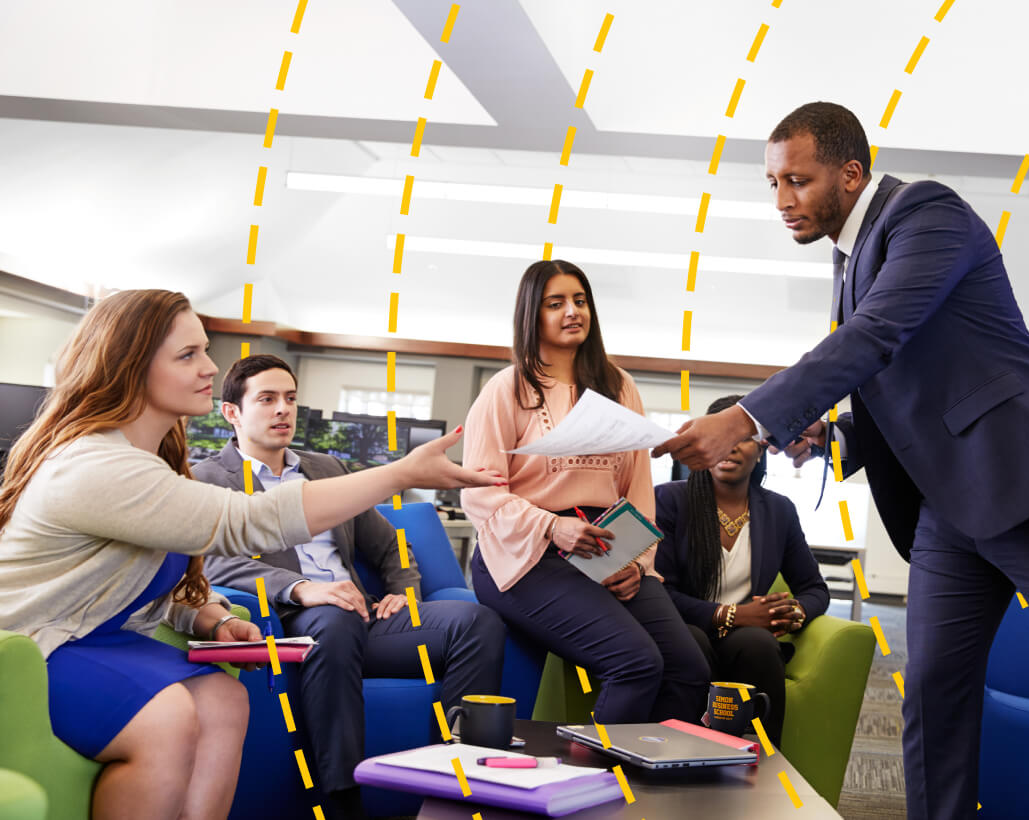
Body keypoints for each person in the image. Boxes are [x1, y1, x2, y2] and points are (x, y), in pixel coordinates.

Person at [652, 102, 1029, 819]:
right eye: (773, 184)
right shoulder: (848, 260)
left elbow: (877, 336)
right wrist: (830, 435)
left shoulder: (927, 214)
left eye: (798, 181)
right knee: (933, 693)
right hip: (948, 510)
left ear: (852, 172)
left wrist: (747, 415)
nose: (782, 201)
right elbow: (901, 388)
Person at [0, 290, 501, 820]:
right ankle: (340, 794)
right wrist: (400, 473)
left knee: (224, 699)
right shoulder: (100, 465)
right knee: (168, 715)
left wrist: (210, 618)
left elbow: (141, 581)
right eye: (188, 355)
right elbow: (245, 523)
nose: (210, 366)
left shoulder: (150, 461)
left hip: (94, 635)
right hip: (37, 645)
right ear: (132, 368)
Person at [193, 354, 506, 819]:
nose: (283, 409)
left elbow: (391, 548)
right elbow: (216, 563)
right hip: (296, 621)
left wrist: (406, 592)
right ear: (232, 412)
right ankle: (340, 800)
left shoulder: (328, 470)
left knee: (477, 621)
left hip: (365, 619)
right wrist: (301, 588)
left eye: (290, 399)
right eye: (267, 399)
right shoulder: (204, 478)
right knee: (333, 619)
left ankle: (453, 776)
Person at [461, 259, 709, 724]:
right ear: (533, 314)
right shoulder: (507, 389)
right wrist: (553, 527)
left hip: (605, 549)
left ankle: (648, 782)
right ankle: (589, 784)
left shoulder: (617, 385)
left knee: (689, 668)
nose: (572, 312)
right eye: (556, 304)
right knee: (636, 664)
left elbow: (636, 489)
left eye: (580, 301)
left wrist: (636, 564)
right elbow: (478, 494)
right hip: (525, 555)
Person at [654, 395, 830, 747]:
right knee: (693, 641)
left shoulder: (779, 511)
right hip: (683, 625)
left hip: (744, 636)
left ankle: (761, 759)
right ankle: (682, 754)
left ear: (762, 448)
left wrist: (791, 612)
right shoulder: (669, 500)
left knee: (759, 644)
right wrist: (729, 614)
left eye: (743, 438)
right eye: (720, 437)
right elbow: (659, 592)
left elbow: (814, 588)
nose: (730, 448)